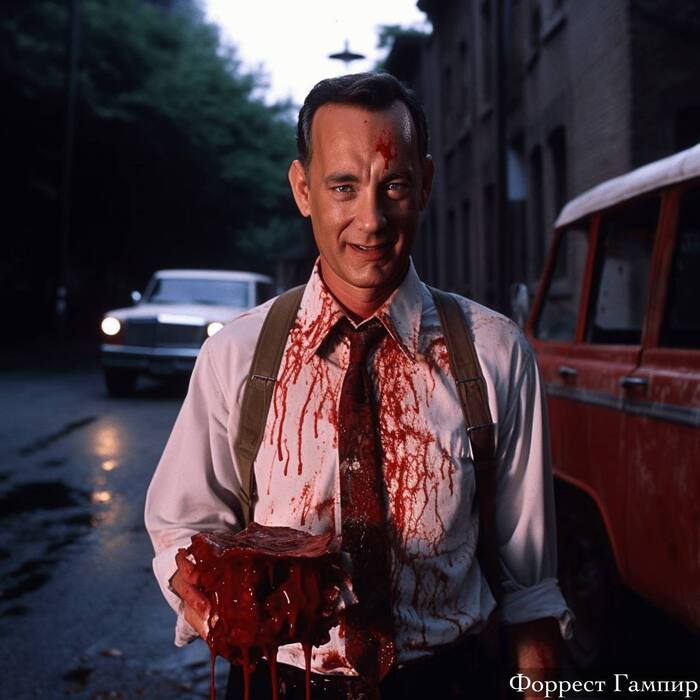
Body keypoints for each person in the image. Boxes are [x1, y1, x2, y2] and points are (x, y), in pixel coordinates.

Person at [145, 72, 572, 700]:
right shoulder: (236, 357)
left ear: (425, 184)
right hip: (277, 681)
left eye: (393, 185)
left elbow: (529, 583)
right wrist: (211, 598)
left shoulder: (495, 353)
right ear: (303, 190)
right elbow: (183, 526)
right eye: (343, 186)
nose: (370, 221)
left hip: (449, 681)